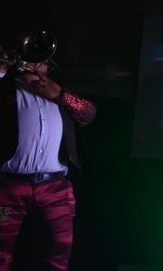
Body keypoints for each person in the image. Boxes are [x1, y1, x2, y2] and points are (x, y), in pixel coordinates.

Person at [0, 32, 97, 271]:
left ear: (48, 63)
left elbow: (89, 114)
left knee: (57, 258)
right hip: (9, 186)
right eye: (28, 58)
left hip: (55, 187)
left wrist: (59, 94)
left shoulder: (59, 93)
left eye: (39, 59)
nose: (34, 64)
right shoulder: (6, 88)